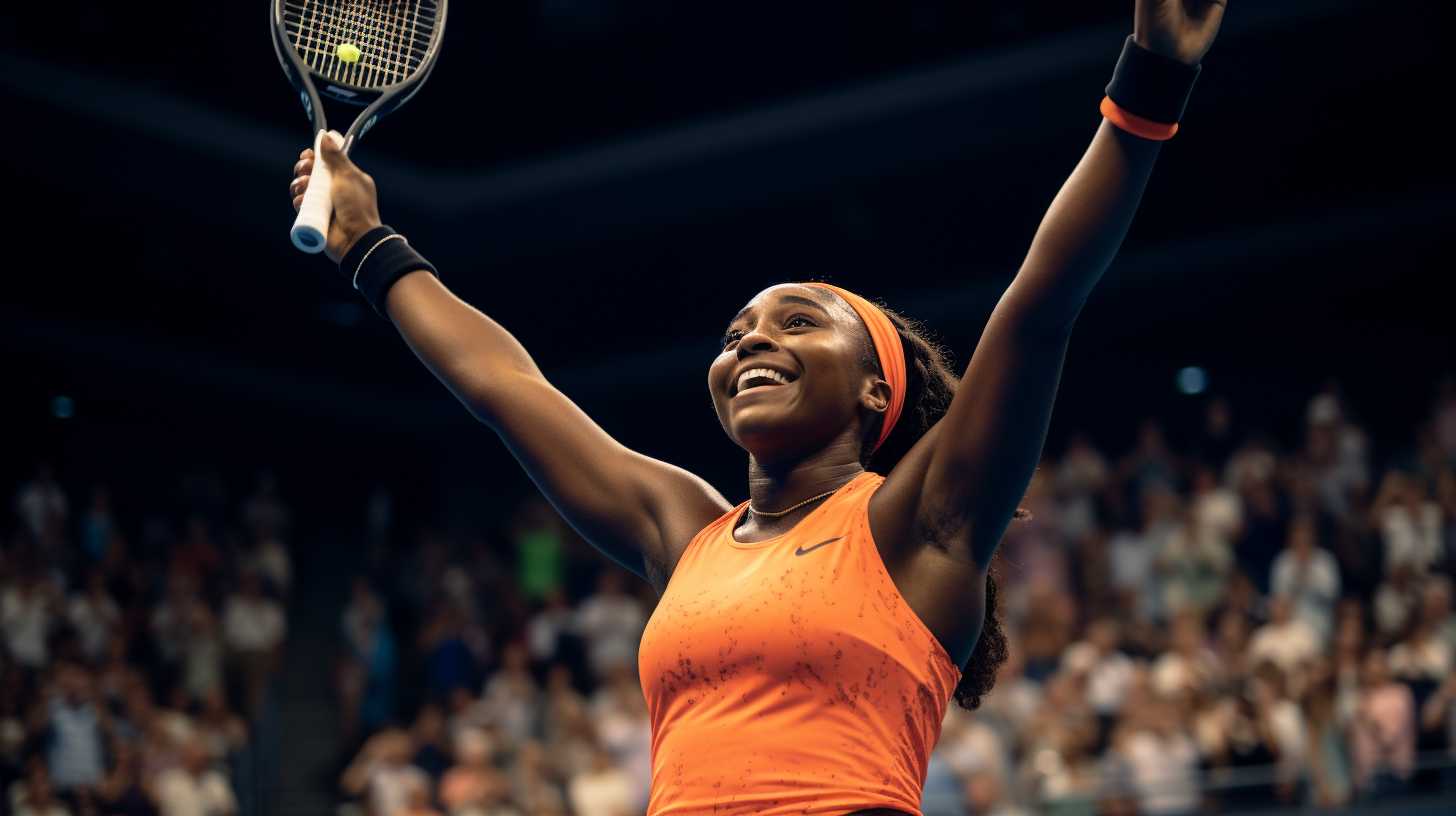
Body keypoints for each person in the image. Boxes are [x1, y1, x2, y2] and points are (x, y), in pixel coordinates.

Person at [285, 3, 1227, 811]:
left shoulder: (920, 524)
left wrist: (1152, 83)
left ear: (875, 387)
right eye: (736, 331)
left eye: (799, 321)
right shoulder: (683, 528)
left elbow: (1039, 306)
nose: (751, 341)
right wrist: (370, 245)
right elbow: (508, 387)